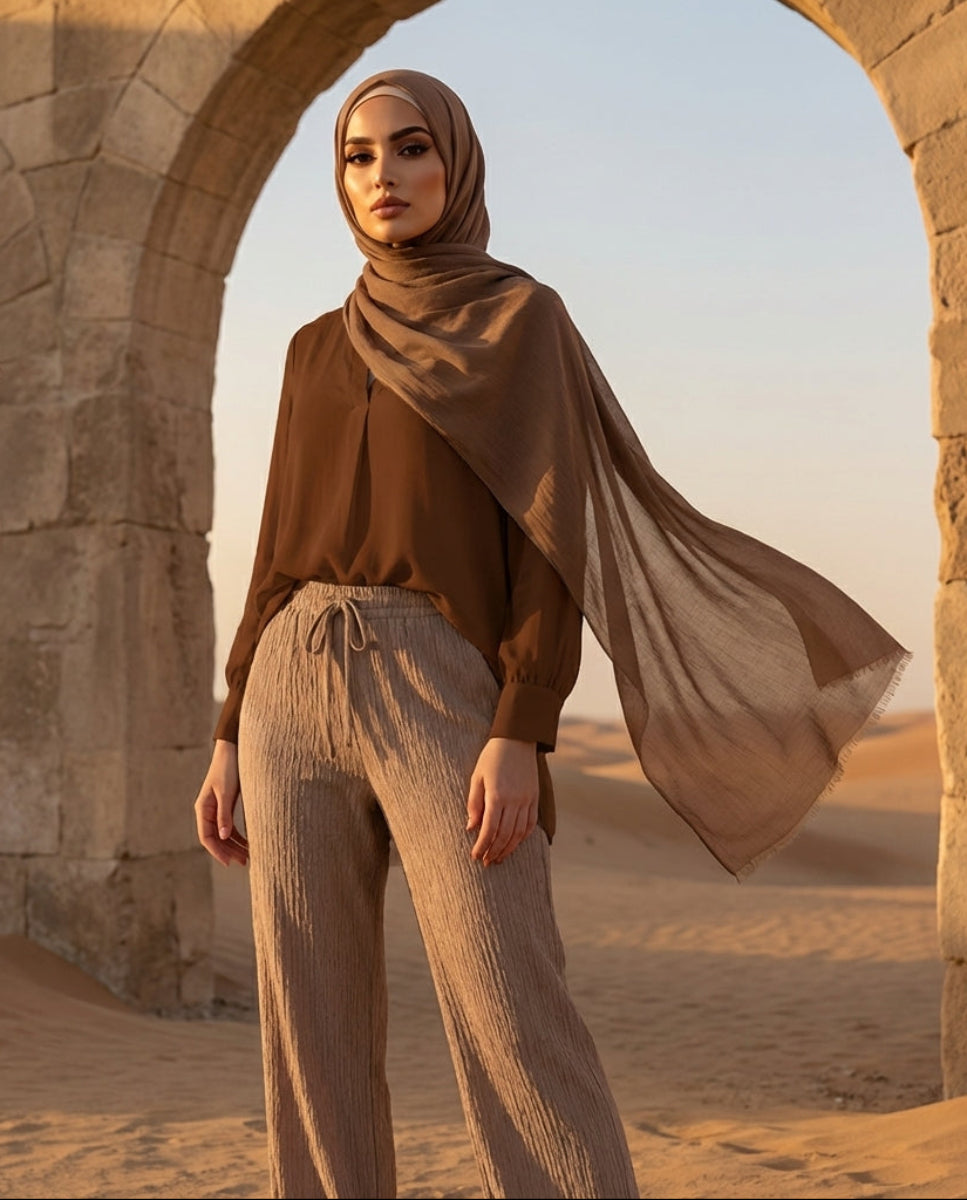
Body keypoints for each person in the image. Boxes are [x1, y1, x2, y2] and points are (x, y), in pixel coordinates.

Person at [194, 70, 908, 1200]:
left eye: (412, 148)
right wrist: (232, 728)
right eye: (359, 156)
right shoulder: (310, 350)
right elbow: (277, 554)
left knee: (510, 1006)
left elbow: (551, 542)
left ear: (457, 165)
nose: (385, 177)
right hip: (289, 688)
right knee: (307, 1028)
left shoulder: (519, 321)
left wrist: (521, 724)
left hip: (441, 682)